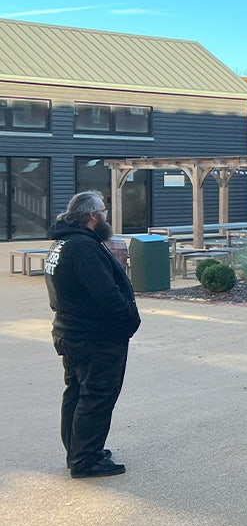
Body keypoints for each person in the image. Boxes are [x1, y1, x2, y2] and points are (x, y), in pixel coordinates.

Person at [46, 191, 141, 478]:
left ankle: (79, 451)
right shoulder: (82, 247)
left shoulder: (63, 243)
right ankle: (86, 459)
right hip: (94, 336)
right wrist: (129, 316)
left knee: (77, 391)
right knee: (96, 395)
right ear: (92, 216)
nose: (106, 216)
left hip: (73, 331)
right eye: (103, 211)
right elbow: (105, 293)